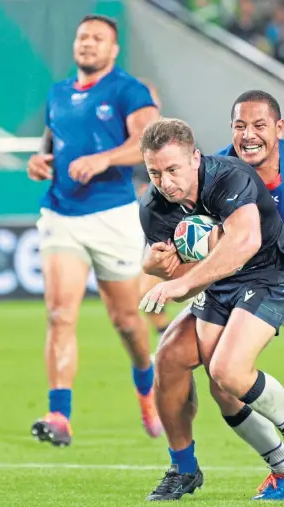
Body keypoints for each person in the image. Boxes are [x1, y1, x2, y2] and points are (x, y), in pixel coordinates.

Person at [27, 14, 161, 446]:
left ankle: (147, 388)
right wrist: (38, 161)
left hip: (112, 216)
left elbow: (149, 142)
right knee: (59, 314)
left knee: (126, 321)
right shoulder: (58, 92)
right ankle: (59, 414)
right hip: (61, 214)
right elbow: (51, 144)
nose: (87, 43)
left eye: (98, 38)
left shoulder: (128, 90)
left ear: (113, 48)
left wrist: (104, 159)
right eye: (82, 36)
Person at [142, 91, 284, 501]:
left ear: (278, 129)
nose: (249, 134)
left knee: (229, 371)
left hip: (271, 273)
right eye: (240, 126)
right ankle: (186, 468)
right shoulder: (203, 175)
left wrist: (181, 284)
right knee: (185, 366)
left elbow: (245, 240)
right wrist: (160, 268)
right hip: (231, 279)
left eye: (259, 125)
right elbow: (176, 263)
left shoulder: (226, 176)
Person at [132, 82, 171, 342]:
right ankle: (169, 342)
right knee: (144, 295)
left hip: (180, 230)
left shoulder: (176, 139)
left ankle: (171, 344)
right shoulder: (133, 147)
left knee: (146, 293)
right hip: (152, 232)